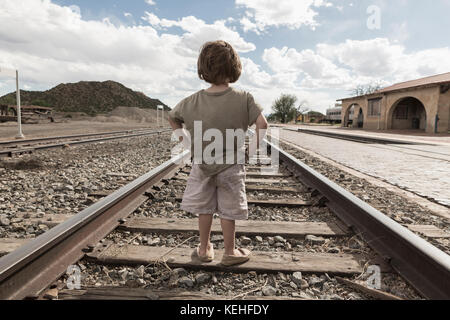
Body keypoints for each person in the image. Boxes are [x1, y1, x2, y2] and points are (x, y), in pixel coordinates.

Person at [168, 40, 268, 266]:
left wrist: (189, 146)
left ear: (203, 68)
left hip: (202, 162)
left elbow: (172, 118)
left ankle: (204, 250)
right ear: (235, 67)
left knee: (204, 207)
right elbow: (263, 125)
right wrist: (248, 154)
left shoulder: (192, 100)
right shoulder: (244, 98)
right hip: (232, 165)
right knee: (228, 209)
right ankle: (230, 252)